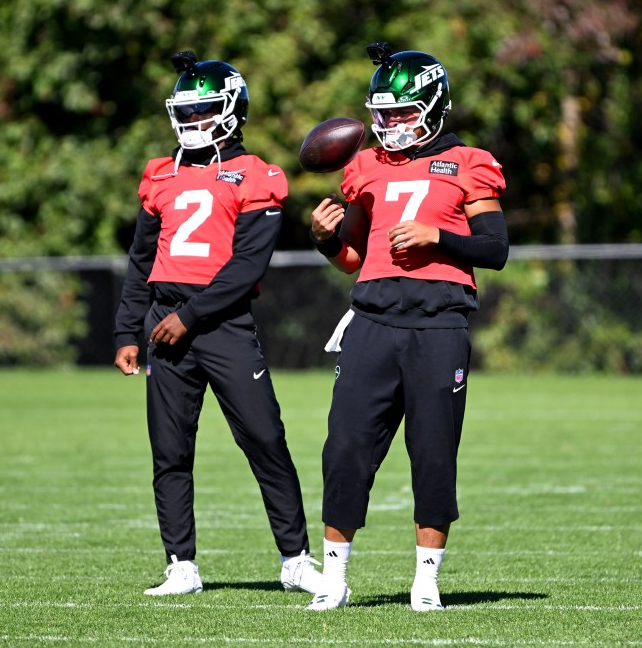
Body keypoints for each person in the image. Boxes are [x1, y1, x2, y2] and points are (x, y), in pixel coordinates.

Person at [306, 42, 510, 612]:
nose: (390, 124)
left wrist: (437, 238)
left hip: (439, 324)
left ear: (433, 104)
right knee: (345, 448)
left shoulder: (470, 162)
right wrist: (325, 241)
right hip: (371, 322)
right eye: (383, 113)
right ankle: (334, 579)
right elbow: (352, 256)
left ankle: (426, 581)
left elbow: (495, 249)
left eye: (401, 112)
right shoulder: (365, 166)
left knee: (433, 451)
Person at [114, 50, 324, 597]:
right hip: (164, 321)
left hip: (221, 322)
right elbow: (141, 260)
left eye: (202, 110)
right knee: (170, 449)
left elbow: (246, 267)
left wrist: (190, 316)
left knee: (264, 438)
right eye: (183, 112)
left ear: (231, 110)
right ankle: (180, 564)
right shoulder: (160, 173)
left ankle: (295, 559)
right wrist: (125, 331)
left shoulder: (258, 175)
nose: (189, 122)